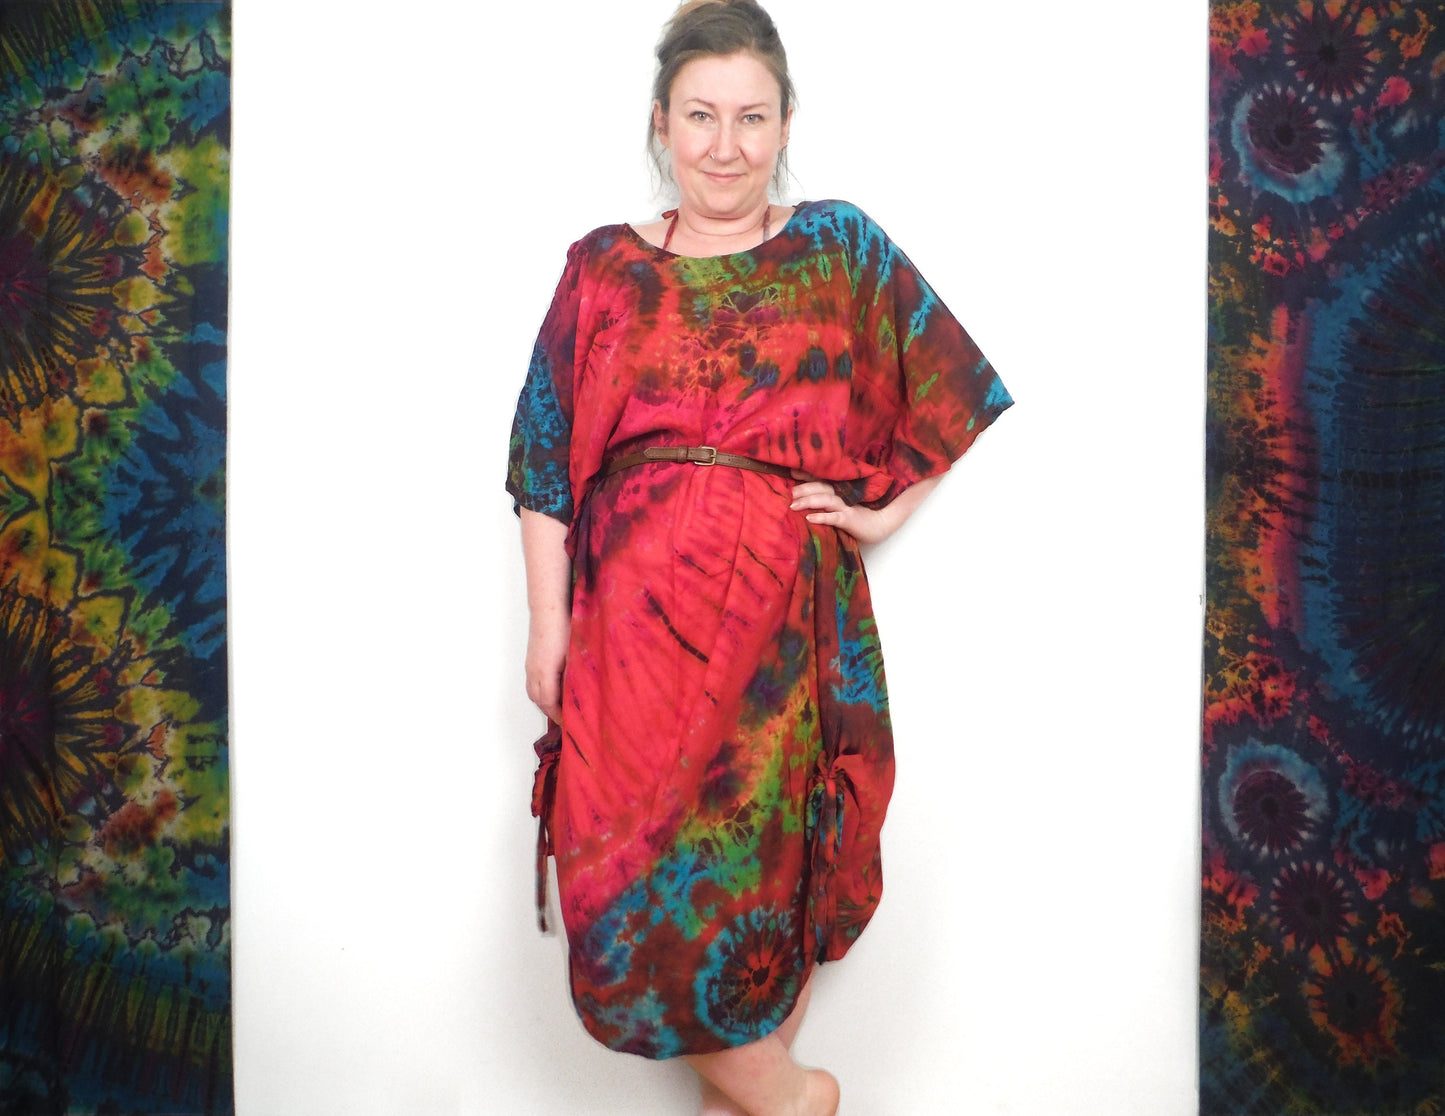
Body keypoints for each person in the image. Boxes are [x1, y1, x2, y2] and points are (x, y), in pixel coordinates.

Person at [507, 2, 1011, 1112]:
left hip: (779, 633)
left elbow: (951, 380)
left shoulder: (838, 246)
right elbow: (543, 458)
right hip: (627, 640)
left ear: (785, 125)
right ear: (660, 122)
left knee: (765, 880)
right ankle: (796, 1098)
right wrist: (547, 629)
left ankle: (761, 1100)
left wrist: (883, 512)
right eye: (700, 115)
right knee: (628, 887)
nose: (725, 145)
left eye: (751, 117)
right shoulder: (601, 268)